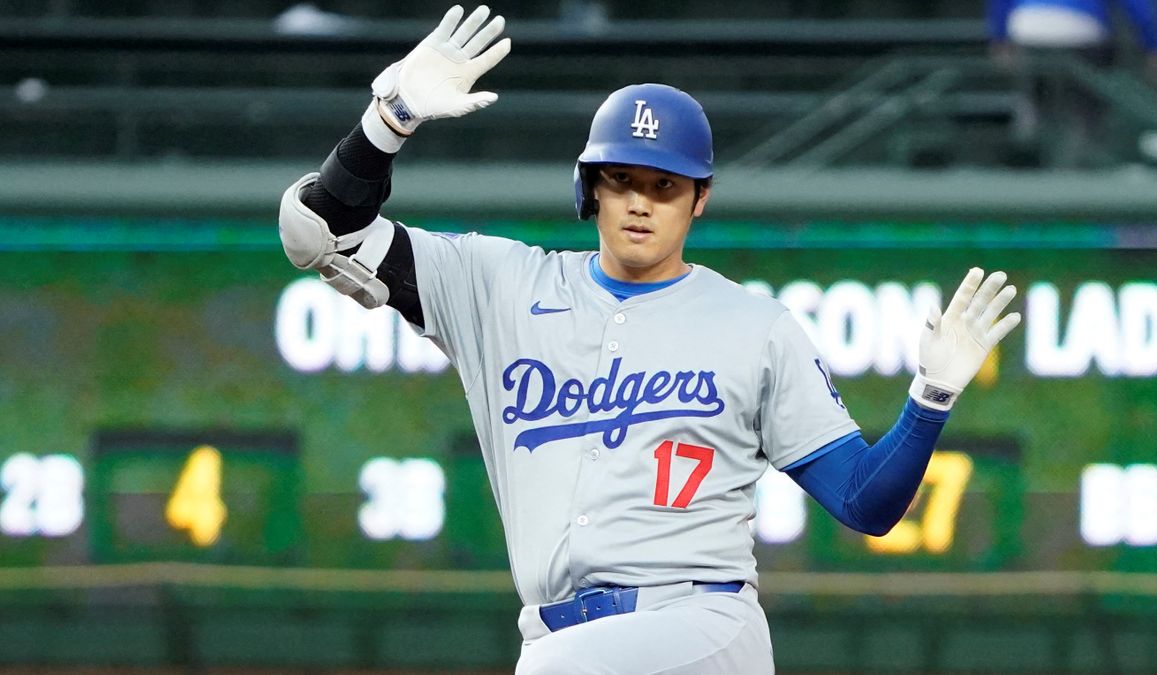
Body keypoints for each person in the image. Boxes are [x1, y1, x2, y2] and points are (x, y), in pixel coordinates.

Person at [277, 6, 1022, 673]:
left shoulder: (753, 327)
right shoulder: (499, 286)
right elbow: (320, 231)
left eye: (664, 185)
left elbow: (866, 503)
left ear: (699, 198)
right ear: (589, 187)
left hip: (698, 624)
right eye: (622, 178)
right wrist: (389, 120)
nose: (640, 201)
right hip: (555, 634)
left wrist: (931, 398)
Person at [987, 0, 1157, 166]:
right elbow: (1137, 5)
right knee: (1083, 113)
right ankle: (1074, 168)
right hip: (1083, 31)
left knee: (1036, 105)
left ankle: (1032, 163)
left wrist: (1000, 37)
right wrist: (1153, 47)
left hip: (1029, 27)